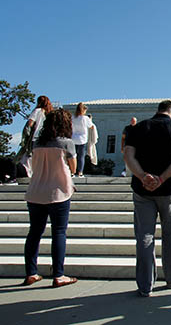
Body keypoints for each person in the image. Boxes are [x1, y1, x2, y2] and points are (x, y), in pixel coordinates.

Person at [124, 100, 171, 297]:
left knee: (144, 236)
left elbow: (128, 155)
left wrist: (143, 176)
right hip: (169, 190)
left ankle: (145, 285)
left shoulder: (138, 128)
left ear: (158, 110)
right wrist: (162, 178)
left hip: (142, 190)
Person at [23, 109, 78, 288]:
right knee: (59, 232)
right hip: (59, 193)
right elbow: (74, 167)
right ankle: (58, 275)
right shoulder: (66, 143)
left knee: (34, 233)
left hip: (35, 192)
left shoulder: (37, 143)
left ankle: (31, 273)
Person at [15, 95, 53, 177]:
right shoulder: (50, 113)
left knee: (30, 154)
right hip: (46, 138)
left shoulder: (37, 111)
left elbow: (30, 123)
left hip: (35, 137)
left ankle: (28, 172)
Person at [71, 103, 94, 178]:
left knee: (73, 156)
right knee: (81, 156)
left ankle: (72, 172)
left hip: (73, 138)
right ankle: (80, 172)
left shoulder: (73, 117)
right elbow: (91, 126)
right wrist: (90, 120)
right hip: (82, 139)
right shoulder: (85, 118)